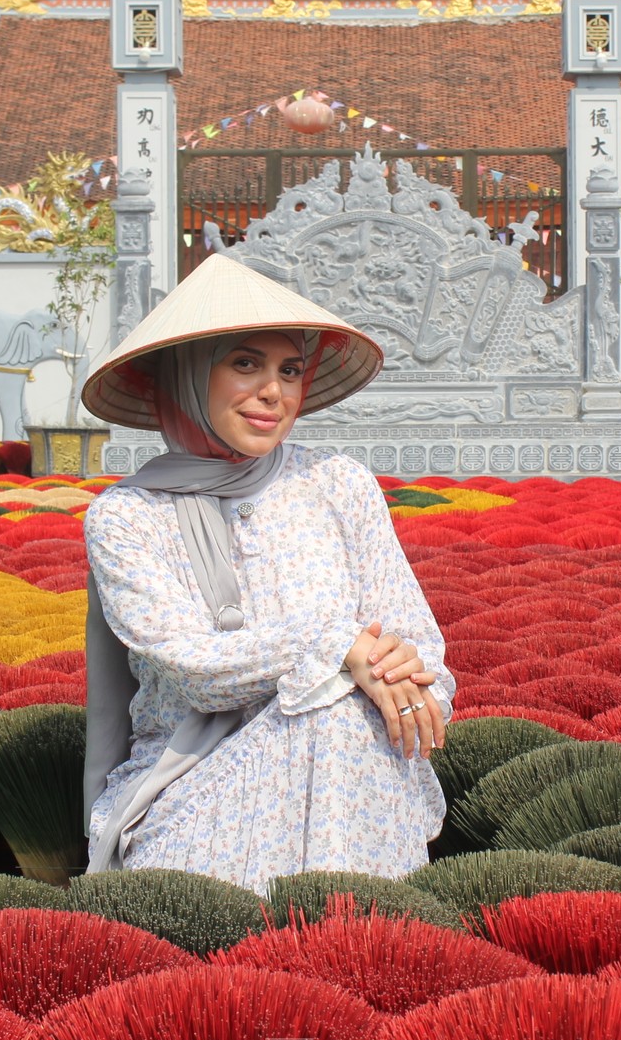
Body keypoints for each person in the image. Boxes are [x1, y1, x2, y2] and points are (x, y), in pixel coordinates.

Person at [79, 253, 453, 893]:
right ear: (188, 376)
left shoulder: (336, 484)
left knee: (338, 716)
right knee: (334, 705)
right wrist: (338, 646)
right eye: (245, 364)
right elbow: (191, 667)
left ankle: (342, 940)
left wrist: (399, 672)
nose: (273, 392)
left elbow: (426, 656)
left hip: (356, 775)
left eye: (289, 370)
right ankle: (340, 935)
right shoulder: (128, 518)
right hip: (197, 781)